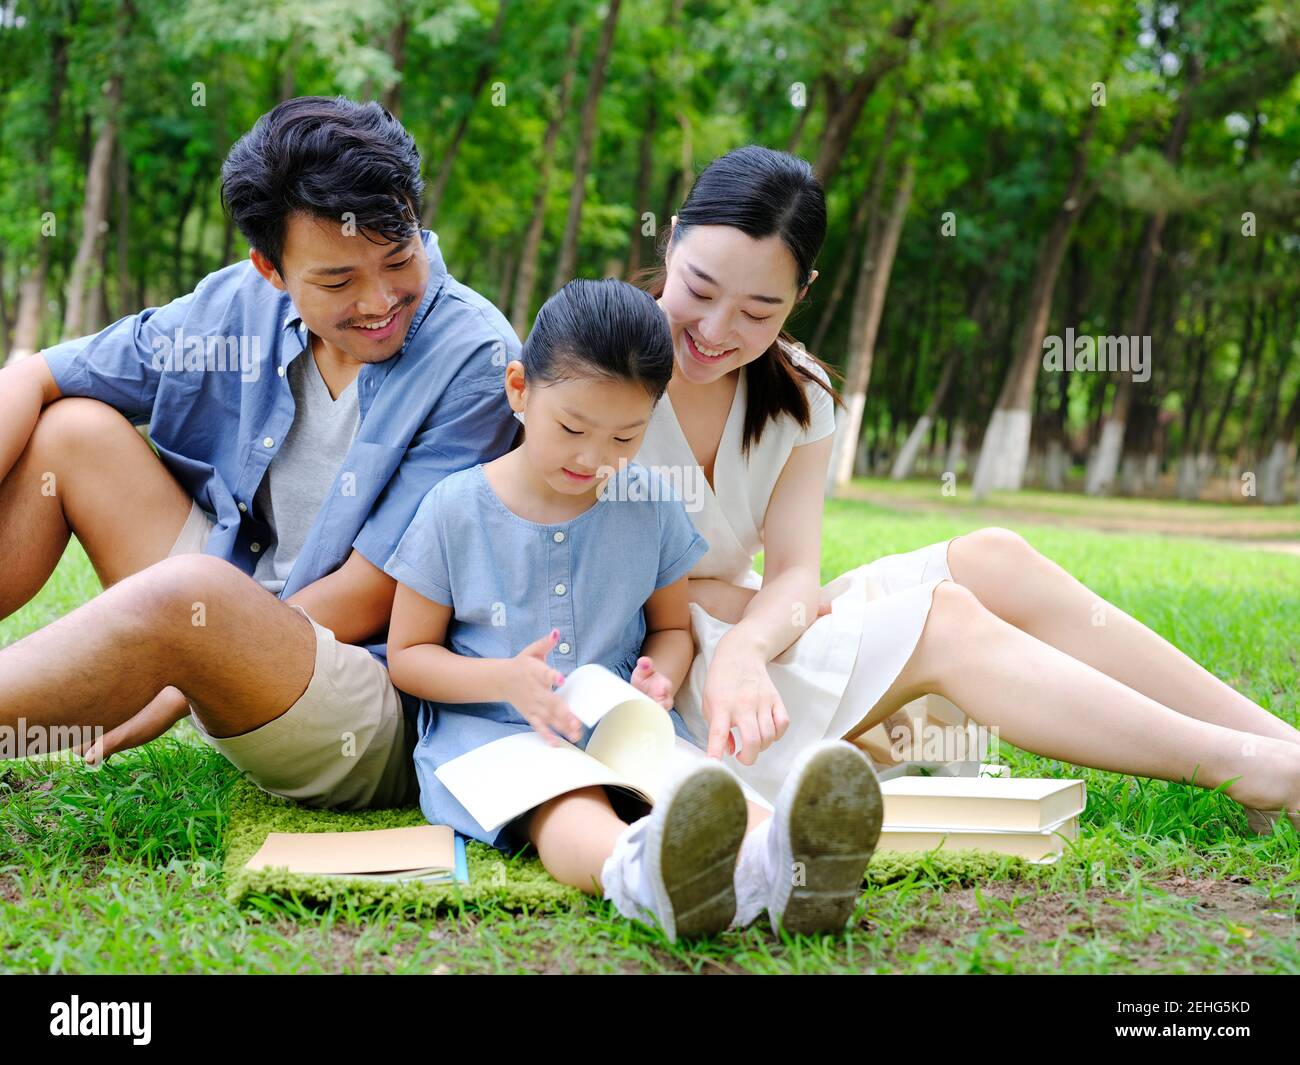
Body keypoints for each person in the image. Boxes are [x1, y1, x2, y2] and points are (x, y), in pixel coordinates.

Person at [634, 144, 1300, 830]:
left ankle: (1282, 744)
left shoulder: (797, 390)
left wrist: (749, 640)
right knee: (942, 618)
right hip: (669, 667)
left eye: (757, 311)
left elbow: (797, 573)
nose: (715, 331)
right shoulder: (603, 365)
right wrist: (735, 625)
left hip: (749, 637)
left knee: (993, 556)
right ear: (673, 235)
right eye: (702, 290)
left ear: (802, 293)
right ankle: (1257, 773)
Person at [0, 96, 520, 811]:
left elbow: (377, 591)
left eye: (398, 259)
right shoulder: (238, 305)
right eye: (337, 281)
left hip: (361, 688)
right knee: (72, 432)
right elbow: (36, 373)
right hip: (223, 609)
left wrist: (187, 673)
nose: (378, 301)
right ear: (270, 269)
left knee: (196, 597)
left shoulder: (476, 356)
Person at [383, 278, 884, 941]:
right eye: (572, 428)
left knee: (696, 781)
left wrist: (662, 675)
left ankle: (788, 870)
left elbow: (671, 627)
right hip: (498, 734)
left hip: (620, 724)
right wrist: (503, 680)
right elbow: (407, 656)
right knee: (567, 798)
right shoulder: (453, 508)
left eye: (626, 436)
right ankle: (639, 878)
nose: (594, 458)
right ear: (518, 390)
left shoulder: (646, 502)